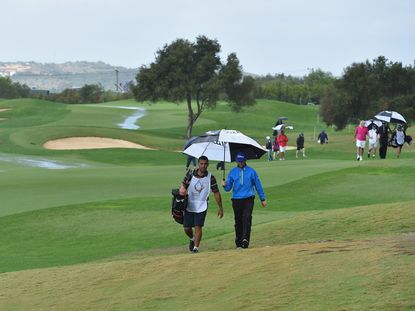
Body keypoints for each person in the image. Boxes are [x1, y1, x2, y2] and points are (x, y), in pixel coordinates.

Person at [221, 152, 266, 249]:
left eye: (242, 161)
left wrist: (262, 198)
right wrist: (225, 185)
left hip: (248, 198)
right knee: (238, 221)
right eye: (238, 161)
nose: (240, 163)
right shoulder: (232, 172)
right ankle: (238, 242)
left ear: (245, 160)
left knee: (246, 218)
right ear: (236, 161)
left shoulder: (251, 171)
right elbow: (228, 188)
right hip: (236, 199)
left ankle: (245, 240)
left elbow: (258, 185)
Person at [179, 156, 223, 253]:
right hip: (189, 204)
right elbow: (183, 185)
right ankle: (192, 238)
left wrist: (220, 207)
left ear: (208, 164)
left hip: (202, 204)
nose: (203, 166)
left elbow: (216, 192)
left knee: (198, 226)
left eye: (205, 164)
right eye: (201, 164)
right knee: (187, 228)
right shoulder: (190, 174)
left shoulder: (211, 177)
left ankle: (196, 248)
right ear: (198, 164)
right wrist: (182, 189)